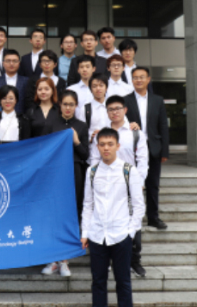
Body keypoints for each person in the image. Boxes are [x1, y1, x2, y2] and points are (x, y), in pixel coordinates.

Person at [81, 128, 145, 307]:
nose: (106, 148)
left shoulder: (128, 170)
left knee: (123, 282)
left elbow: (139, 205)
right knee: (98, 282)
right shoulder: (92, 172)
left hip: (121, 235)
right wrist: (85, 232)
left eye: (110, 144)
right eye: (102, 144)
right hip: (97, 235)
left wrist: (130, 232)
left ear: (118, 146)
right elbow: (88, 204)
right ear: (97, 147)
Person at [89, 95, 149, 277]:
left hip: (129, 185)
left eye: (118, 108)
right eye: (111, 109)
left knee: (133, 221)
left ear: (125, 110)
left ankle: (135, 261)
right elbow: (95, 159)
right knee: (106, 219)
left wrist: (139, 183)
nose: (114, 112)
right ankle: (108, 260)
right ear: (106, 112)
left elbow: (142, 161)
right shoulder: (102, 134)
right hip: (107, 184)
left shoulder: (135, 133)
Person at [41, 90, 89, 277]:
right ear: (59, 105)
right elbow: (43, 150)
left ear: (76, 106)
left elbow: (85, 154)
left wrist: (76, 141)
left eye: (71, 104)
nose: (68, 108)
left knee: (71, 214)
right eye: (65, 104)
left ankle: (65, 261)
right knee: (53, 214)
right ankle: (53, 259)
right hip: (54, 173)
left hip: (74, 172)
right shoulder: (51, 124)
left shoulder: (81, 126)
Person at [124, 67, 170, 230]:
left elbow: (163, 126)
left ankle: (153, 217)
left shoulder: (157, 100)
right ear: (132, 80)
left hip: (153, 148)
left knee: (153, 184)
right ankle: (129, 216)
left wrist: (165, 150)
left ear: (148, 79)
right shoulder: (125, 100)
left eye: (142, 77)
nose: (139, 80)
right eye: (135, 77)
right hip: (132, 149)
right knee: (130, 184)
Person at [0, 50, 29, 114]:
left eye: (15, 61)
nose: (11, 63)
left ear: (19, 63)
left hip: (21, 117)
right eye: (8, 61)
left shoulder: (27, 81)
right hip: (0, 117)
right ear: (3, 63)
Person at [67, 55, 95, 124]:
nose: (84, 69)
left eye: (87, 67)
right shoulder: (71, 90)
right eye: (81, 67)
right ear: (78, 70)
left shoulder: (100, 89)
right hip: (76, 125)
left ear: (93, 69)